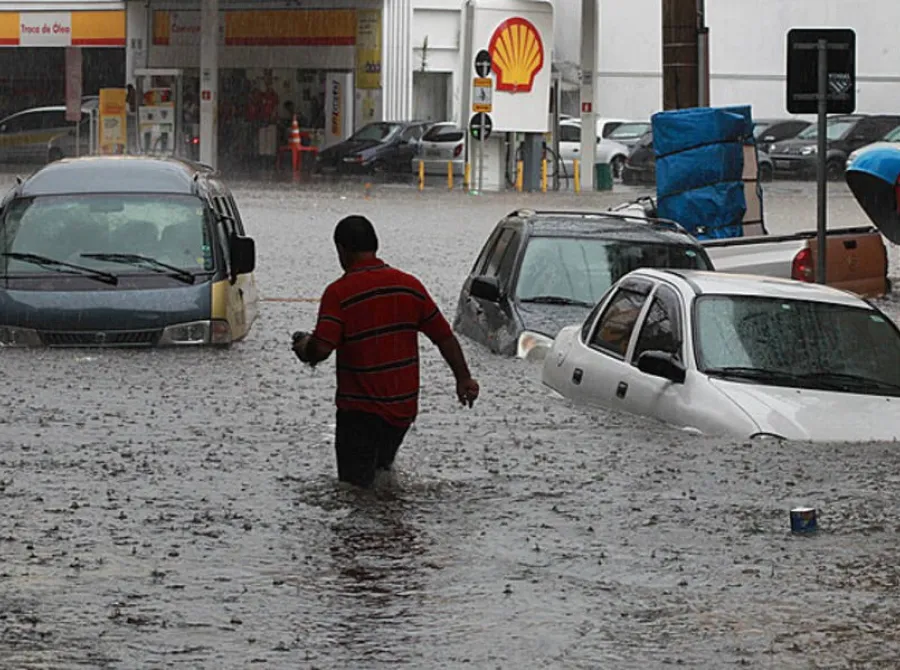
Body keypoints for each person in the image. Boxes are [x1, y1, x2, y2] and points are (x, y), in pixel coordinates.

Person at [292, 215, 480, 488]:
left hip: (359, 413)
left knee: (355, 491)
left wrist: (303, 347)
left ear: (341, 250)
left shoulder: (339, 293)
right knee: (381, 476)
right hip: (401, 413)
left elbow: (321, 349)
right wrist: (463, 378)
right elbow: (444, 337)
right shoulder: (409, 286)